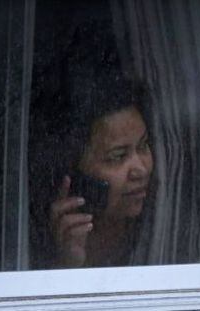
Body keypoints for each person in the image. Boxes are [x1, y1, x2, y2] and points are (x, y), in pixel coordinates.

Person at [49, 79, 154, 268]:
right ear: (76, 170)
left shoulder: (157, 225)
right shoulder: (48, 236)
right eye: (118, 156)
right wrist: (68, 264)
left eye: (143, 145)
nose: (141, 170)